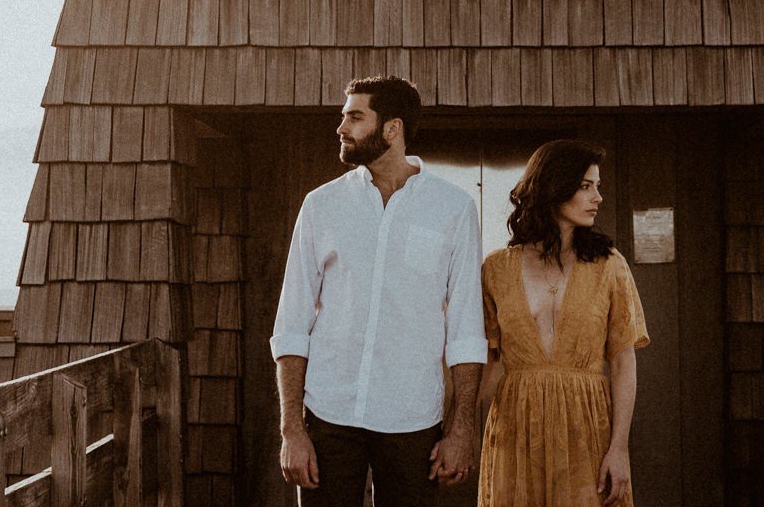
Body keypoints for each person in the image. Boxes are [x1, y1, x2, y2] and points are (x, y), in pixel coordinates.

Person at [271, 75, 487, 507]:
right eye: (343, 116)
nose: (341, 128)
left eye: (354, 116)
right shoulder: (321, 205)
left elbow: (466, 329)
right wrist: (292, 429)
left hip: (413, 417)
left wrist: (461, 427)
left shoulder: (453, 208)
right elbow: (293, 323)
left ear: (393, 128)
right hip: (329, 415)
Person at [477, 139, 649, 507]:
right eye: (586, 186)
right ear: (552, 188)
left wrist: (619, 449)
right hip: (515, 427)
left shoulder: (609, 265)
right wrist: (462, 431)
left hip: (586, 424)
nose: (597, 197)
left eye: (597, 186)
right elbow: (493, 361)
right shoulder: (496, 269)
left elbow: (622, 361)